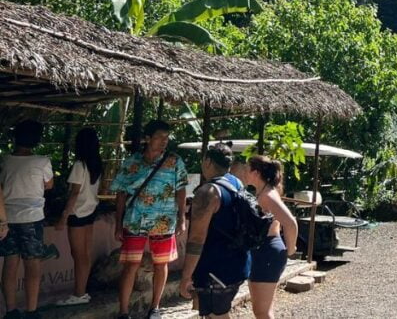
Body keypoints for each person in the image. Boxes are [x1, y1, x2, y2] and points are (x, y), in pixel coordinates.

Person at [111, 120, 188, 319]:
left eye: (166, 138)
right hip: (135, 220)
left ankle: (155, 308)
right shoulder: (132, 162)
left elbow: (181, 190)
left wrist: (181, 218)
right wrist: (118, 224)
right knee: (130, 265)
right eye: (160, 137)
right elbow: (120, 194)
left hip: (164, 221)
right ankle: (123, 311)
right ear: (147, 138)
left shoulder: (174, 161)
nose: (164, 141)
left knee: (161, 265)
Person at [179, 143, 251, 319]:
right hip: (239, 263)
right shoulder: (236, 183)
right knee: (216, 314)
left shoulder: (207, 192)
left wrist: (186, 275)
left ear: (208, 161)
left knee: (216, 315)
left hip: (215, 270)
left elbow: (196, 238)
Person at [0, 120, 54, 319]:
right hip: (32, 218)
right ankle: (32, 311)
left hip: (8, 218)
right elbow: (49, 185)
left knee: (10, 263)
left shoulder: (5, 160)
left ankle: (11, 311)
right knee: (32, 264)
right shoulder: (42, 161)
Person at [54, 128, 104, 307]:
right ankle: (82, 291)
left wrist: (63, 216)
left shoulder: (79, 165)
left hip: (77, 213)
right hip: (90, 211)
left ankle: (79, 293)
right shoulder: (96, 163)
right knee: (85, 254)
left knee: (78, 255)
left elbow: (74, 193)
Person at [243, 156, 297, 319]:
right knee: (262, 310)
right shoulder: (264, 192)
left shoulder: (268, 195)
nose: (245, 172)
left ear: (256, 172)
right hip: (262, 251)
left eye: (248, 169)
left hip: (268, 251)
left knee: (262, 312)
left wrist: (291, 248)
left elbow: (291, 223)